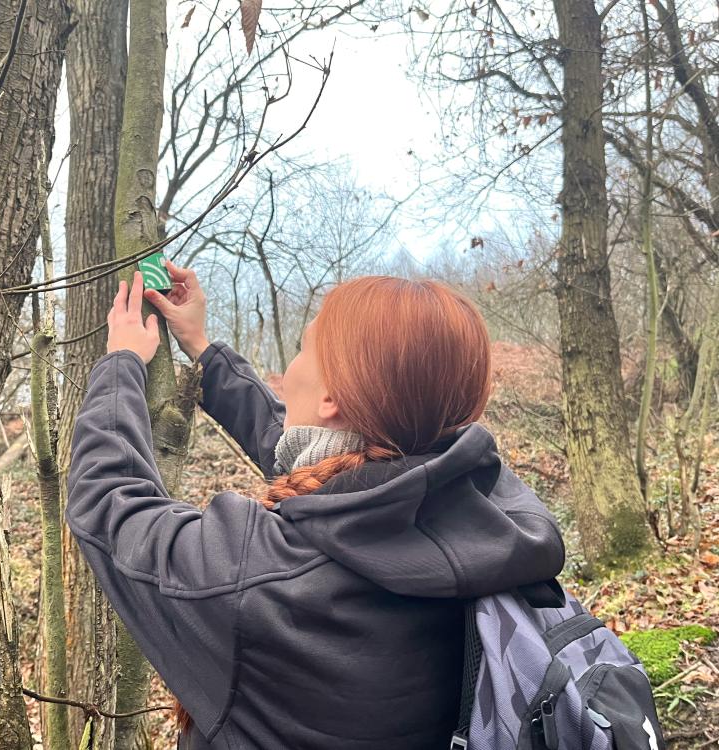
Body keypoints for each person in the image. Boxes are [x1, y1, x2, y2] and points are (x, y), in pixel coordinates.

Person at [64, 260, 566, 749]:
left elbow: (109, 502)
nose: (291, 368)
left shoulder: (261, 575)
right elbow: (324, 460)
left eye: (304, 349)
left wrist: (121, 363)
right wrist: (202, 347)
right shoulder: (490, 511)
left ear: (333, 399)